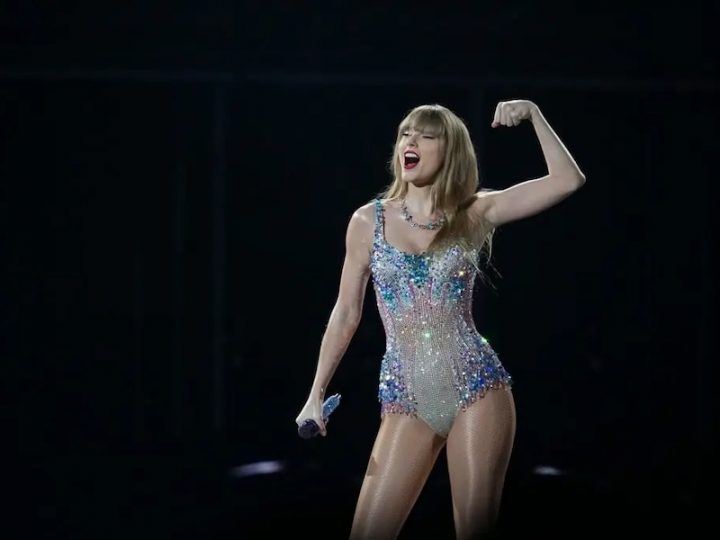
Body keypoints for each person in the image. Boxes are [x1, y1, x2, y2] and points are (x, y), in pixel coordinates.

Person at [295, 99, 585, 539]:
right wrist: (315, 393)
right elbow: (347, 311)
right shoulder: (366, 221)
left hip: (476, 387)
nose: (411, 141)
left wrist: (533, 114)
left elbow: (567, 180)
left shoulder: (474, 211)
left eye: (426, 135)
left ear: (449, 152)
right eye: (406, 133)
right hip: (406, 396)